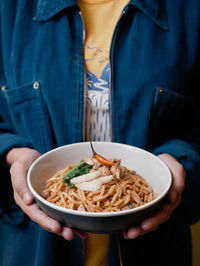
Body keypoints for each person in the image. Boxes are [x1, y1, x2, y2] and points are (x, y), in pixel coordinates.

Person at [0, 0, 200, 265]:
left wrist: (177, 158)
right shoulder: (11, 8)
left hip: (155, 250)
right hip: (33, 250)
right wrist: (14, 154)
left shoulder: (189, 10)